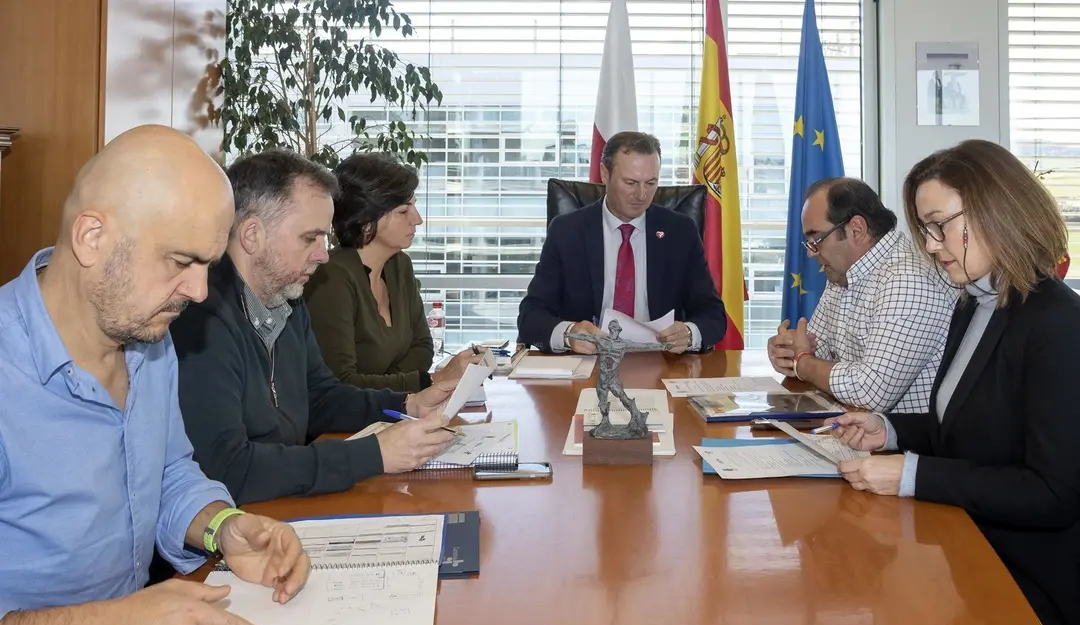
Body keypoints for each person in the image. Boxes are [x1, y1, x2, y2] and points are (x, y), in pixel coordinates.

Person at [0, 125, 311, 625]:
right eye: (181, 261)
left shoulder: (149, 341)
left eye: (208, 266)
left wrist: (222, 526)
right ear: (91, 237)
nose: (198, 291)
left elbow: (168, 472)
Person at [832, 139, 1080, 625]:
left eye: (939, 224)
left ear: (996, 210)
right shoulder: (974, 305)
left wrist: (912, 475)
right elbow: (970, 428)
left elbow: (1053, 492)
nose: (930, 244)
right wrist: (889, 431)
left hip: (1035, 591)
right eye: (922, 228)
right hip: (971, 556)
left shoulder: (1057, 323)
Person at [169, 149, 458, 507]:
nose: (323, 255)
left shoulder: (287, 298)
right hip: (231, 529)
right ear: (252, 235)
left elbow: (320, 397)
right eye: (310, 238)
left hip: (281, 505)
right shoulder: (201, 320)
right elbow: (228, 468)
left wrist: (407, 403)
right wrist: (376, 455)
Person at [516, 131, 728, 354]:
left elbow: (712, 313)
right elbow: (531, 316)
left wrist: (690, 333)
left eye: (651, 182)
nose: (641, 194)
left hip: (660, 364)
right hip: (587, 365)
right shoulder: (567, 231)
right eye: (631, 183)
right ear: (605, 174)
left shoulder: (679, 232)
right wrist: (569, 334)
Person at [767, 177, 956, 413]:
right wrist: (788, 350)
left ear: (856, 230)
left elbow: (871, 391)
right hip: (858, 430)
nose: (811, 253)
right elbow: (818, 351)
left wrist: (802, 362)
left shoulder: (909, 279)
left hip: (904, 443)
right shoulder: (842, 273)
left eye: (816, 240)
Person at [304, 152, 481, 392]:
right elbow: (341, 384)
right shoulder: (331, 279)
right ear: (367, 220)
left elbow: (422, 347)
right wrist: (425, 381)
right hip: (344, 427)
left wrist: (385, 388)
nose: (417, 219)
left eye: (414, 206)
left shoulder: (399, 265)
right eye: (403, 211)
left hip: (393, 411)